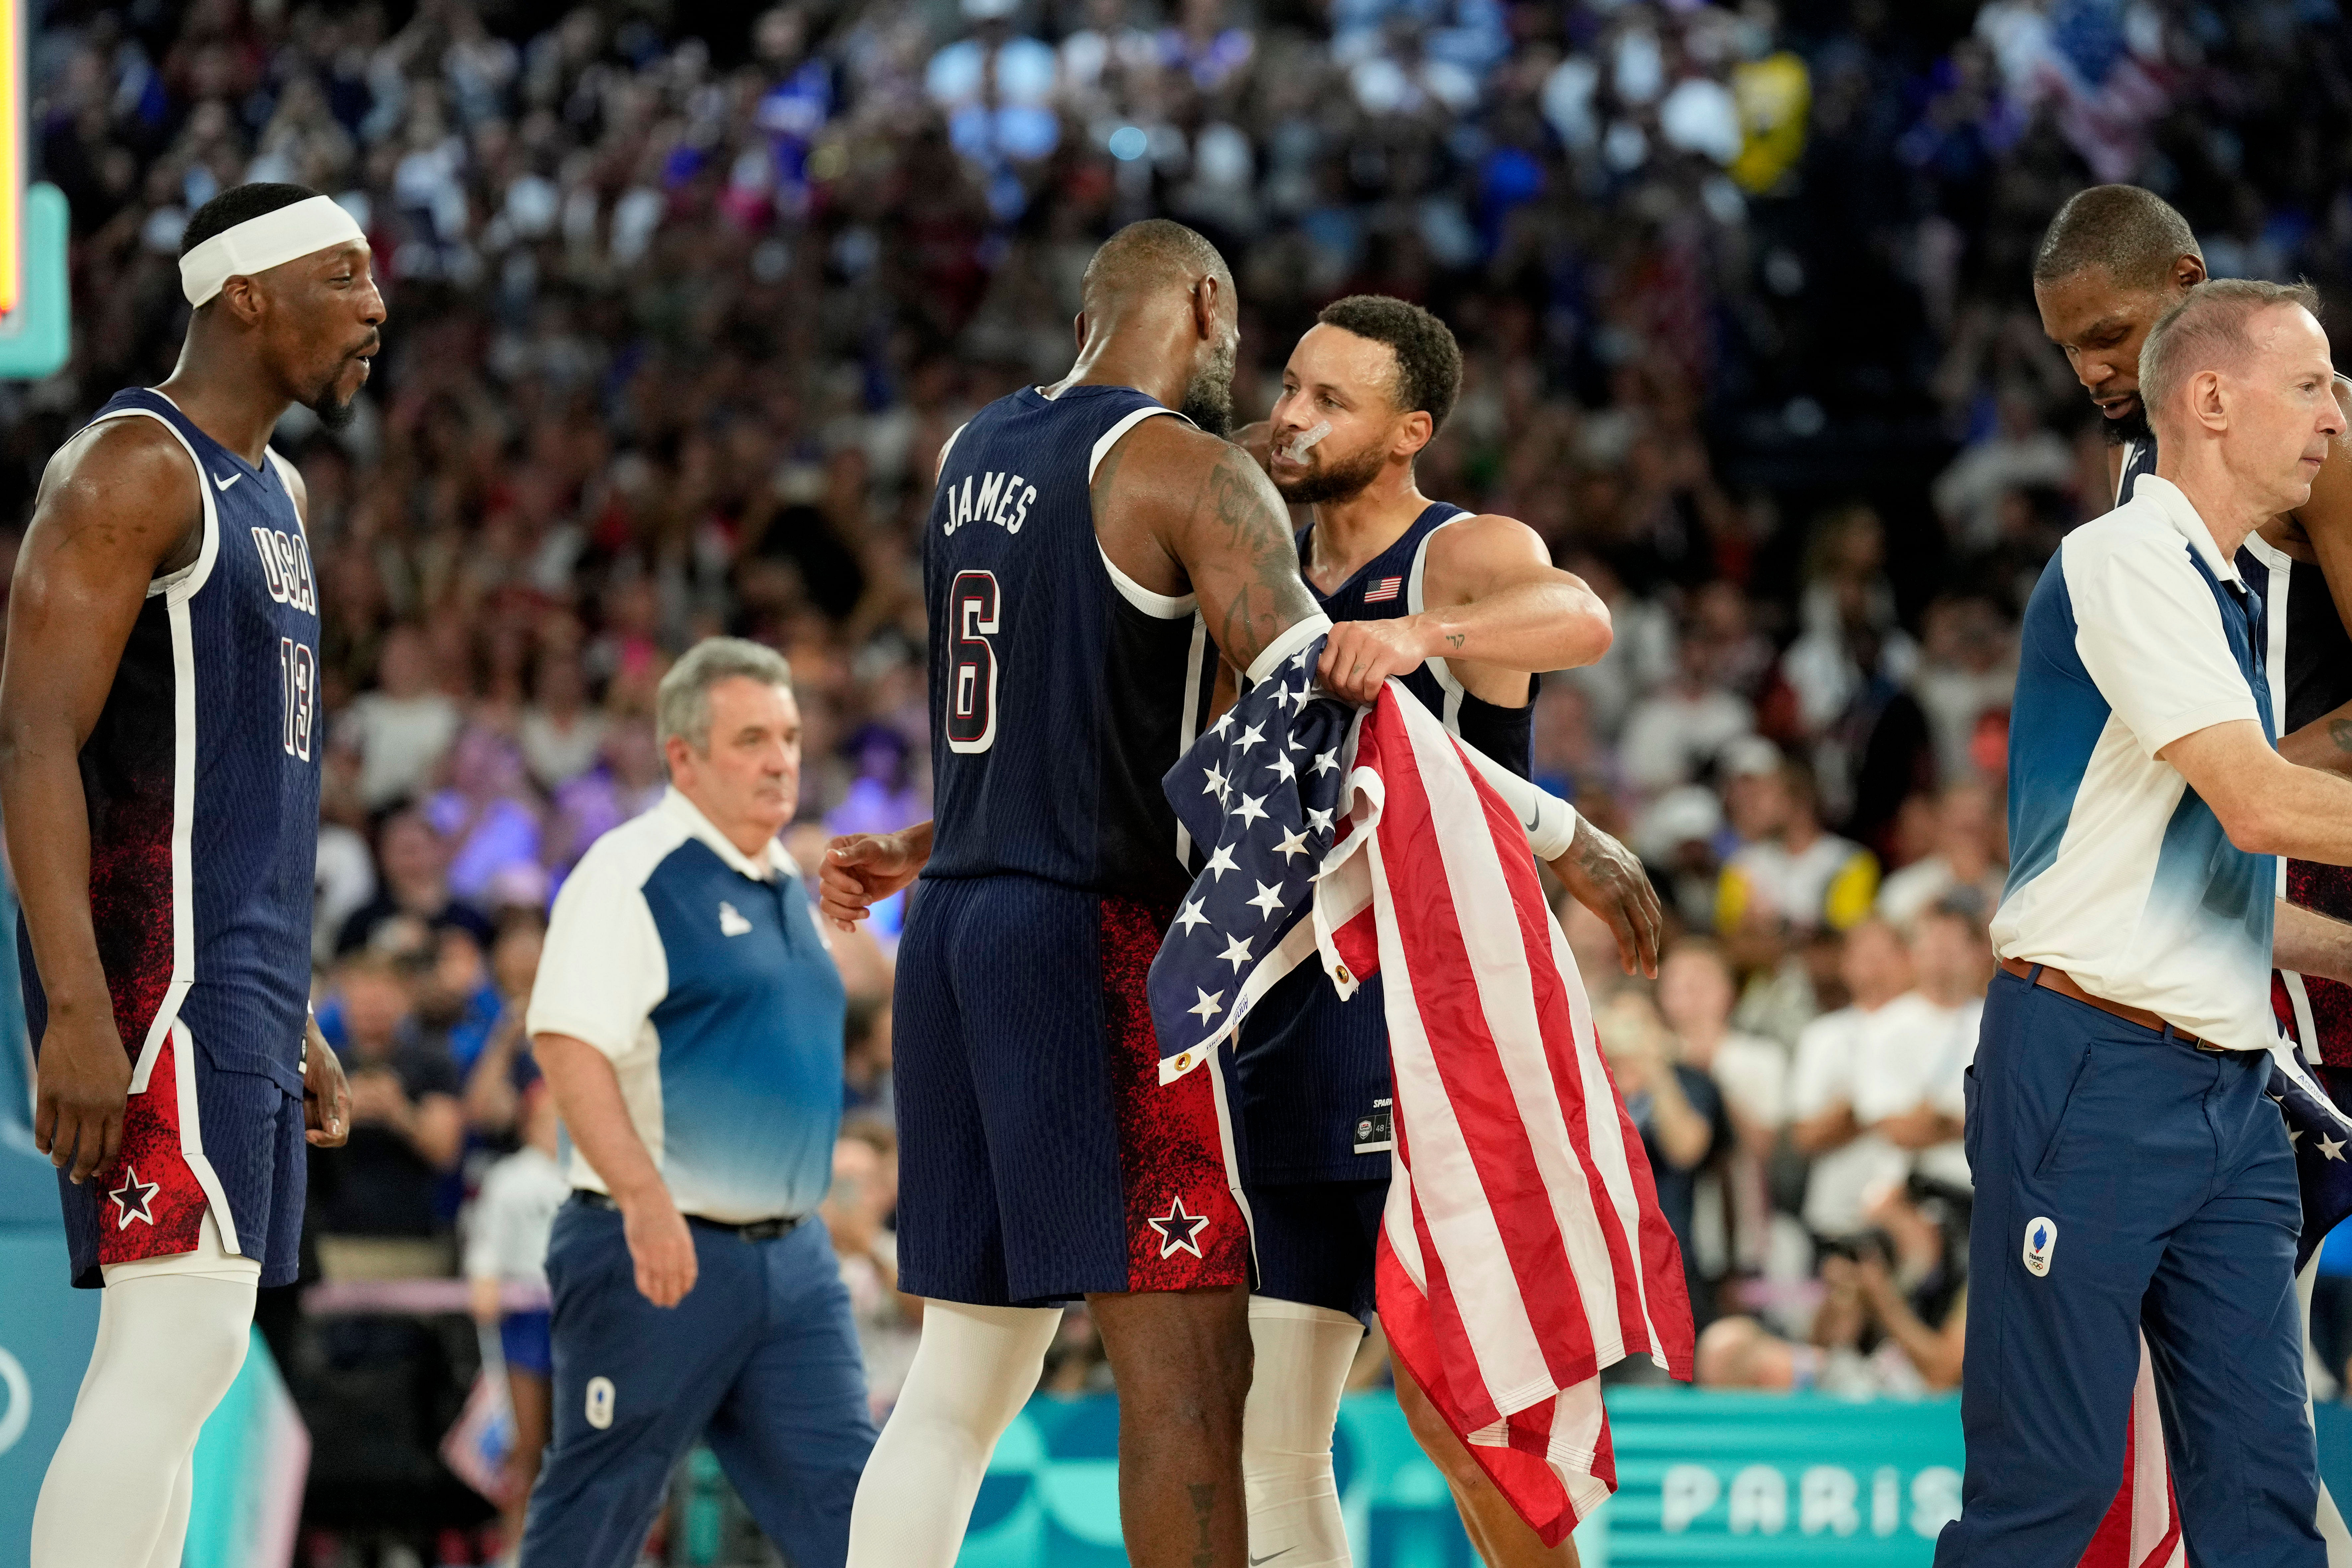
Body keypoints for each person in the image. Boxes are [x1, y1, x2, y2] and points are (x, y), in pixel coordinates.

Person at [819, 219, 1342, 1568]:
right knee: (1188, 1366)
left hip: (955, 924)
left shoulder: (969, 450)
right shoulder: (1187, 467)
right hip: (1092, 935)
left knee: (962, 1379)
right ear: (1207, 305)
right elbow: (1311, 696)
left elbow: (1037, 727)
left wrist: (933, 835)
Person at [1226, 295, 1659, 1568]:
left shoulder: (1453, 551)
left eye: (1331, 401)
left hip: (1432, 1023)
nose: (1295, 415)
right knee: (1276, 1424)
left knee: (1452, 1396)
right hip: (1288, 1014)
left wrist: (1428, 636)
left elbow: (1581, 616)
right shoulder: (1252, 569)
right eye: (1291, 388)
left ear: (1410, 429)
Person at [1938, 279, 2352, 1567]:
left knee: (2260, 1500)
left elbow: (2199, 884)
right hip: (2091, 1066)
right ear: (2210, 399)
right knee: (2047, 1493)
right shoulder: (2126, 558)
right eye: (2311, 384)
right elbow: (2255, 803)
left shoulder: (2227, 591)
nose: (2335, 415)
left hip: (2223, 1090)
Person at [0, 180, 370, 1568]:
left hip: (244, 985)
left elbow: (248, 786)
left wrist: (298, 1010)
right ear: (247, 296)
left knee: (186, 1361)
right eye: (347, 277)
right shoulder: (131, 466)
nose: (378, 308)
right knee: (171, 1355)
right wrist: (80, 1011)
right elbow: (35, 739)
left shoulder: (273, 490)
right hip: (153, 990)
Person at [522, 638, 875, 1568]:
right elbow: (566, 1039)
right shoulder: (631, 872)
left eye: (792, 737)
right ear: (682, 755)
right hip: (655, 1248)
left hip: (794, 1263)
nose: (781, 759)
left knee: (861, 1520)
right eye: (752, 738)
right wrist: (643, 1198)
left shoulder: (783, 885)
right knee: (595, 1516)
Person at [465, 1076, 568, 1561]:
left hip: (579, 1320)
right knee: (525, 1443)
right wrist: (484, 1278)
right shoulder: (509, 1179)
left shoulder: (592, 1178)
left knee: (579, 1441)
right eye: (549, 1120)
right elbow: (485, 1243)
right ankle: (518, 1546)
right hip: (526, 1325)